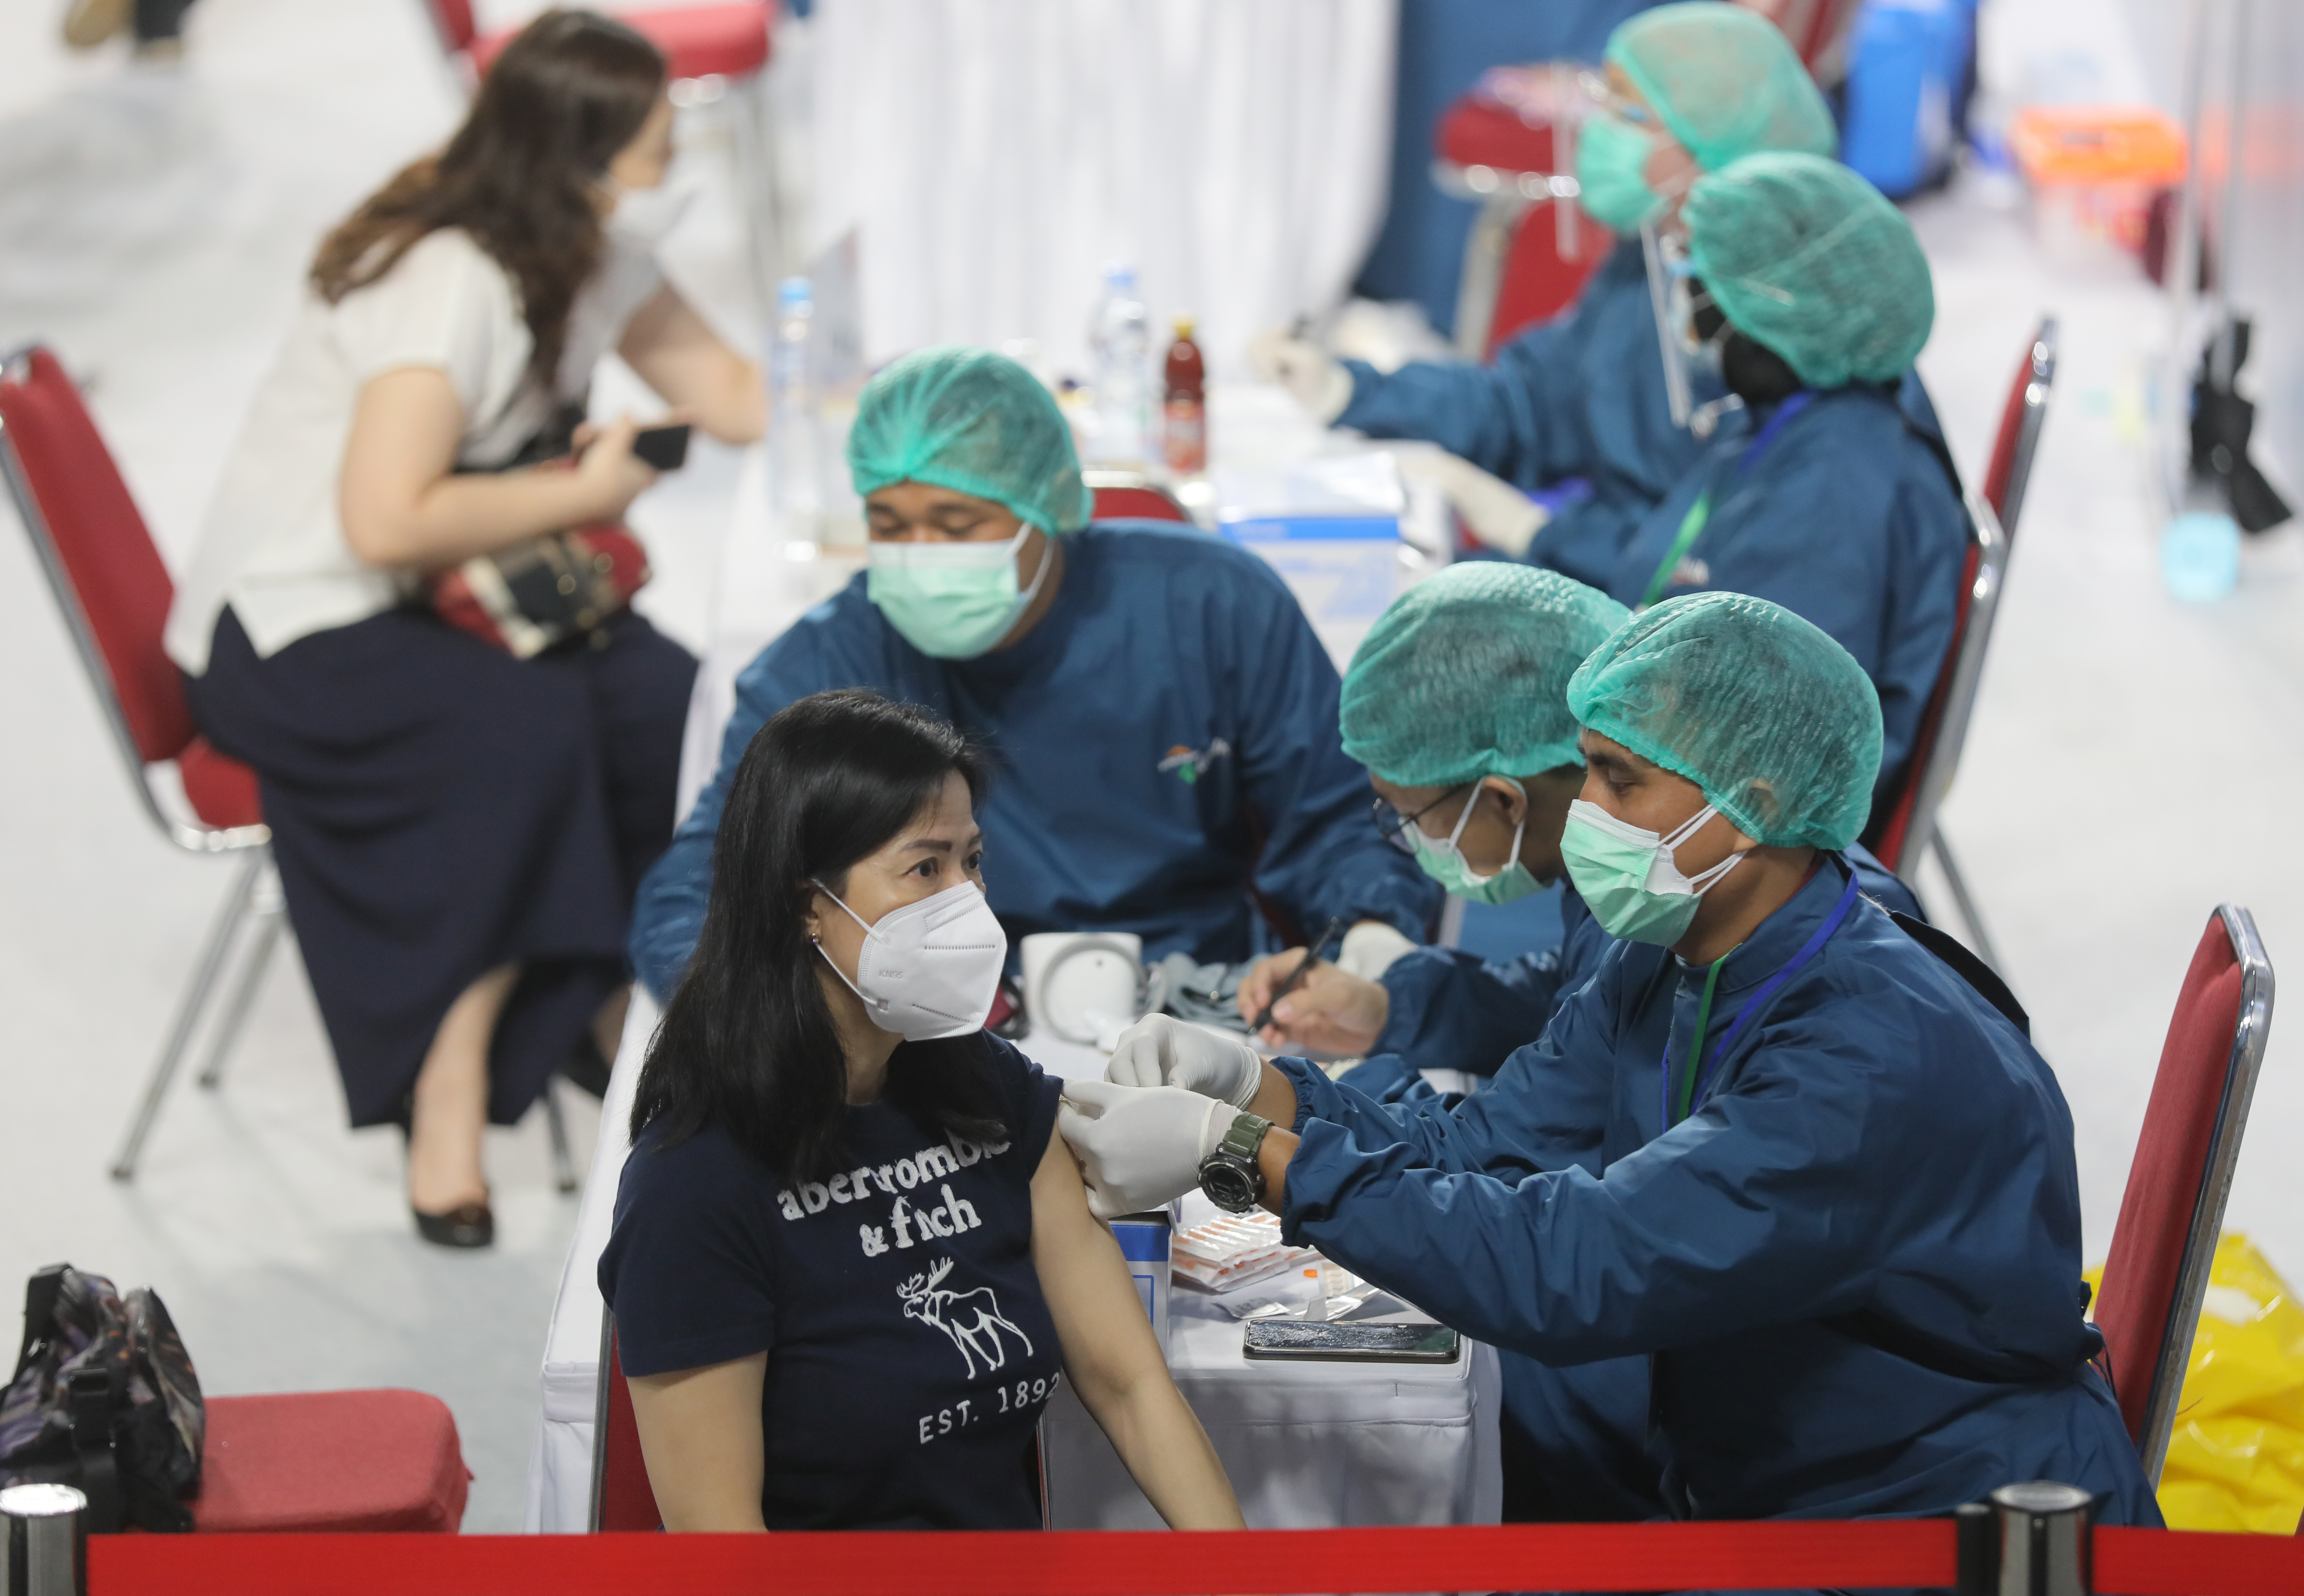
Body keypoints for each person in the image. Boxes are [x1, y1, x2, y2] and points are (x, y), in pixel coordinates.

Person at [1064, 593, 2161, 1533]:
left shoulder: (1868, 1056)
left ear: (1756, 806)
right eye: (1582, 770)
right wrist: (1254, 1087)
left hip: (1921, 1520)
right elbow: (1485, 1147)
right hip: (1754, 1460)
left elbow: (1572, 1266)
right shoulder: (1677, 954)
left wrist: (1247, 1159)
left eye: (1615, 780)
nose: (1579, 811)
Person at [166, 11, 765, 1247]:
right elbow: (383, 519)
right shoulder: (453, 277)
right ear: (583, 155)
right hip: (298, 620)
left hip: (446, 600)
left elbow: (740, 394)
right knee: (527, 728)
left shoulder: (586, 249)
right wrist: (587, 495)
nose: (675, 165)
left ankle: (628, 1008)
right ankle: (455, 1081)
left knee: (669, 696)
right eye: (660, 145)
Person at [600, 689, 1245, 1532]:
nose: (966, 903)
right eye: (924, 869)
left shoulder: (988, 1089)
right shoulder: (695, 1186)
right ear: (805, 904)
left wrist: (1239, 1576)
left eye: (972, 862)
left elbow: (1128, 1382)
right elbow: (721, 1551)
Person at [629, 346, 1441, 1006]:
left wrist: (1368, 938)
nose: (921, 555)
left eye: (957, 526)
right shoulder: (824, 667)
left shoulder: (1211, 608)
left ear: (1045, 508)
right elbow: (705, 881)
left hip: (1207, 996)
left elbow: (1340, 817)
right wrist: (759, 1015)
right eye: (890, 525)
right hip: (937, 1022)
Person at [1234, 562, 1919, 1091]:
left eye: (1411, 819)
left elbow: (1586, 1186)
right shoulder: (1656, 872)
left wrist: (1282, 1119)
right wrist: (1392, 1005)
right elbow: (1587, 1010)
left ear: (1503, 801)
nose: (1409, 842)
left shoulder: (1709, 907)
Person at [1251, 2, 1840, 579]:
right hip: (1607, 573)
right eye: (1601, 101)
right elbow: (1528, 404)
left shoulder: (1778, 328)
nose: (1598, 130)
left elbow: (1727, 573)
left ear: (1713, 144)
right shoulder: (1651, 261)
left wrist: (1545, 533)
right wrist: (1348, 389)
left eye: (1628, 117)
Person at [1599, 151, 1965, 817]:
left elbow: (1760, 753)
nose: (1694, 308)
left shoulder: (1828, 498)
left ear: (1784, 312)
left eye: (1709, 286)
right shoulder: (1797, 423)